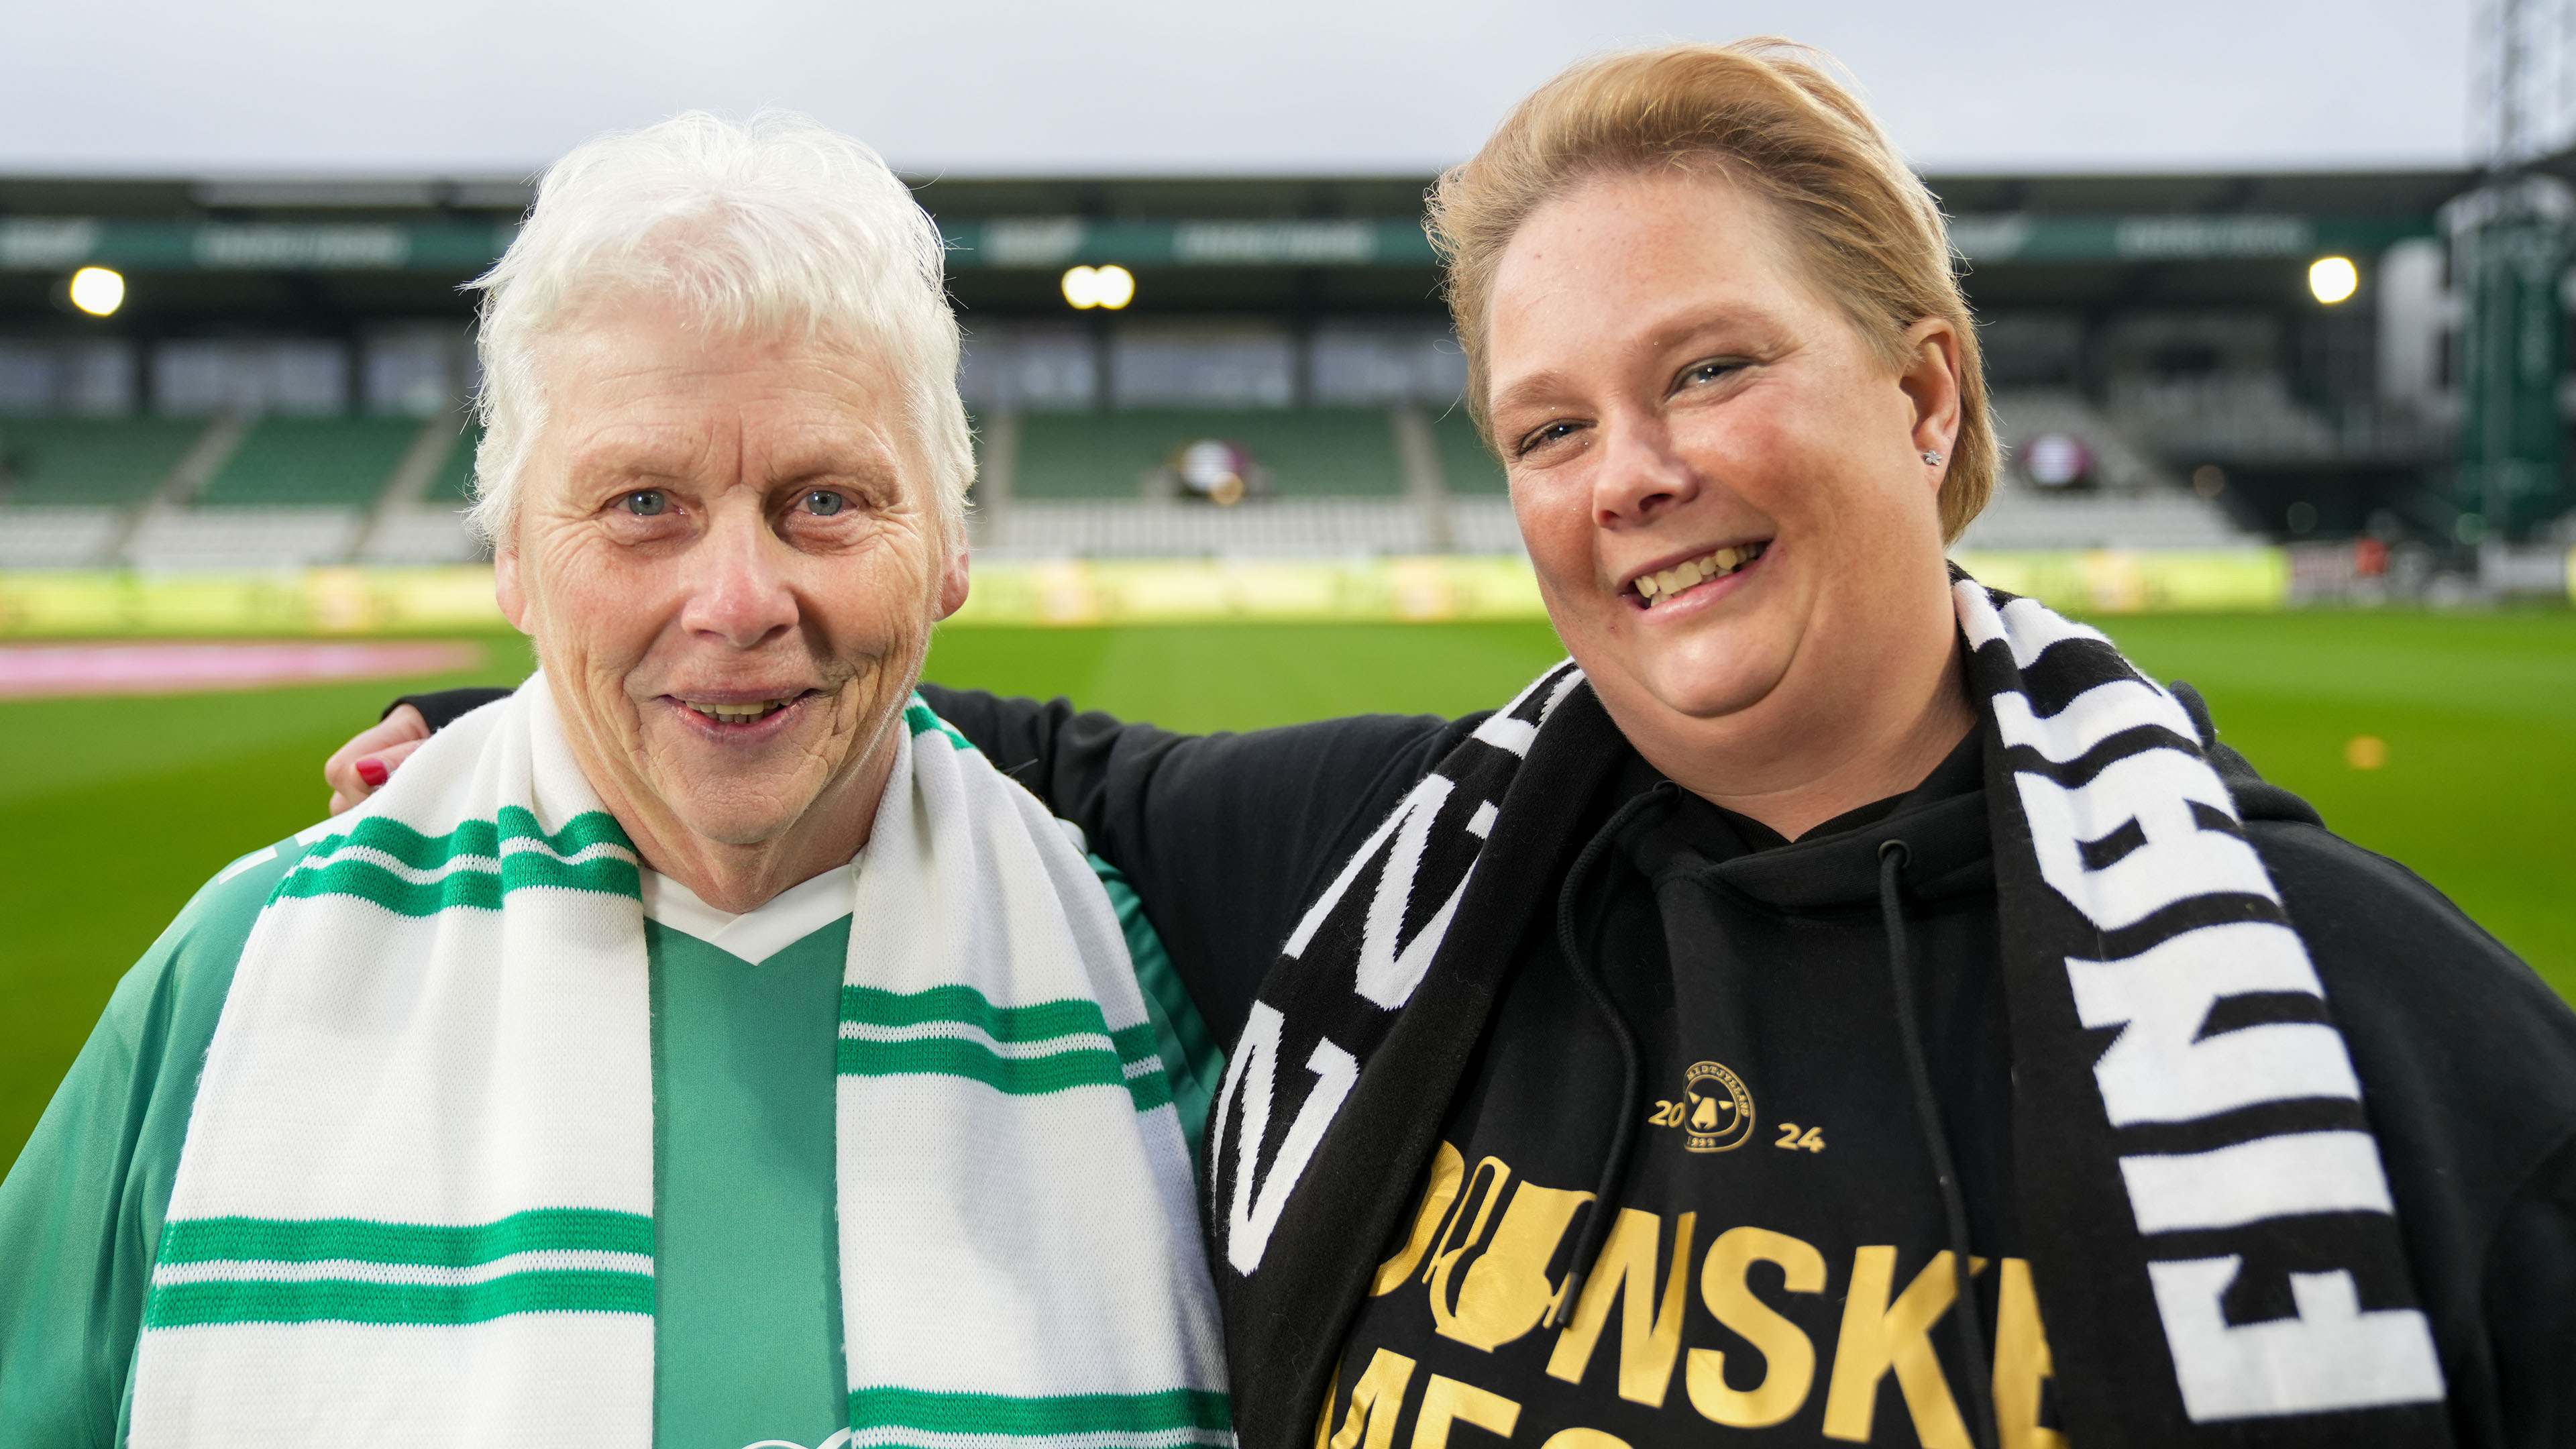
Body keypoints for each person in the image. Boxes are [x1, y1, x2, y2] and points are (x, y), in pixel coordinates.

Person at [334, 42, 2576, 1449]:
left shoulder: (2379, 1048)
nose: (1634, 474)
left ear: (1923, 395)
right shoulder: (1395, 863)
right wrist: (506, 717)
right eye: (1550, 425)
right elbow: (976, 740)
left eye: (1708, 370)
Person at [0, 113, 1231, 1449]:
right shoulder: (233, 980)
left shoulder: (1147, 981)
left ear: (947, 547)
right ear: (515, 559)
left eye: (825, 499)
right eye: (644, 502)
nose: (740, 600)